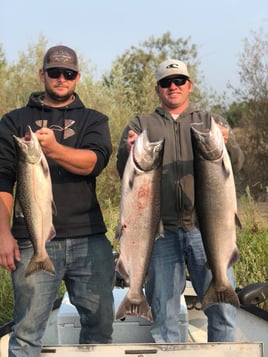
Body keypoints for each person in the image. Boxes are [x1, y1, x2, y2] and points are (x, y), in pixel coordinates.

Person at [116, 59, 245, 343]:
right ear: (157, 89)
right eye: (166, 82)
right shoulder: (141, 125)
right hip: (159, 233)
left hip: (205, 230)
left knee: (222, 310)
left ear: (190, 85)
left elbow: (235, 164)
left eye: (178, 81)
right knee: (164, 313)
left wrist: (228, 142)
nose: (172, 86)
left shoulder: (209, 122)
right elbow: (122, 172)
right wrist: (128, 152)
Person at [0, 45, 115, 356]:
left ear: (77, 77)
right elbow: (2, 182)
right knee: (25, 333)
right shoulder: (14, 122)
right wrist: (3, 233)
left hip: (89, 238)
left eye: (67, 73)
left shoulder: (94, 119)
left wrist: (53, 150)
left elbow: (94, 162)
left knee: (101, 326)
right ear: (43, 74)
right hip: (32, 240)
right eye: (54, 72)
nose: (60, 78)